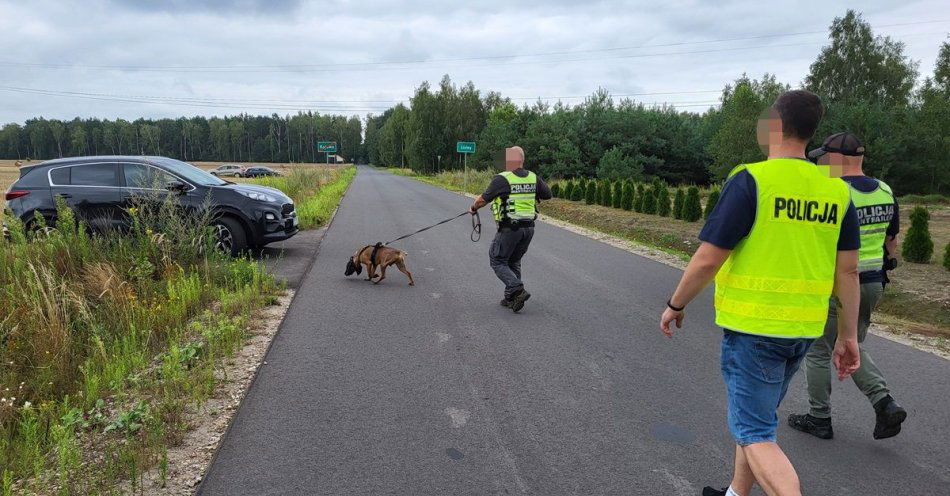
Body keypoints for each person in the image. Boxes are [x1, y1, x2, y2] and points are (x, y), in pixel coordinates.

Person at [658, 90, 862, 496]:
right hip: (802, 328)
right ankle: (736, 493)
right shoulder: (837, 192)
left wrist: (675, 304)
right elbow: (849, 271)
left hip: (754, 329)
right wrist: (848, 336)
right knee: (757, 419)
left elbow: (708, 259)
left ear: (774, 124)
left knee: (754, 432)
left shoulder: (751, 180)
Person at [788, 132, 907, 440]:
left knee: (818, 349)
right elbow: (892, 240)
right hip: (872, 284)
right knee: (851, 343)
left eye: (825, 158)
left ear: (838, 159)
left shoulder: (833, 192)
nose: (822, 163)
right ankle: (884, 403)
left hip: (838, 283)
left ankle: (821, 416)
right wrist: (886, 263)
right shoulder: (884, 190)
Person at [469, 146, 551, 312]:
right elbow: (547, 194)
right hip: (528, 229)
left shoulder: (503, 179)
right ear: (522, 160)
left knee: (497, 259)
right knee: (513, 261)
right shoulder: (533, 177)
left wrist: (473, 208)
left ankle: (517, 288)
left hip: (510, 228)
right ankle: (511, 298)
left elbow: (483, 199)